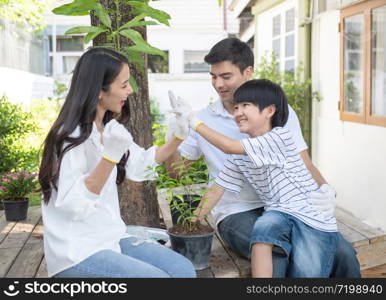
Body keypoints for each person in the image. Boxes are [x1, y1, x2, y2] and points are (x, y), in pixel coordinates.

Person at [166, 37, 360, 277]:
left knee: (343, 253)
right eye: (213, 77)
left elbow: (304, 162)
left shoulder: (279, 117)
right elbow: (182, 174)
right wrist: (175, 135)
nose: (218, 84)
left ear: (247, 72)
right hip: (237, 211)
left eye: (226, 76)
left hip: (287, 207)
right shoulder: (202, 119)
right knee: (279, 251)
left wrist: (326, 190)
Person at [38, 47, 195, 278]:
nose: (130, 90)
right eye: (123, 85)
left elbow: (141, 163)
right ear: (99, 91)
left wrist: (179, 135)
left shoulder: (109, 128)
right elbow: (72, 205)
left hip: (110, 236)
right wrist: (109, 158)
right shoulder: (70, 137)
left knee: (183, 270)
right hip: (76, 251)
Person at [186, 79, 340, 277]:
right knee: (262, 232)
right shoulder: (240, 155)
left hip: (309, 216)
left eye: (246, 106)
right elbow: (216, 190)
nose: (238, 112)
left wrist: (195, 123)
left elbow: (228, 145)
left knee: (306, 271)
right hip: (278, 212)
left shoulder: (280, 137)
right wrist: (189, 223)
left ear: (269, 111)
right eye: (236, 107)